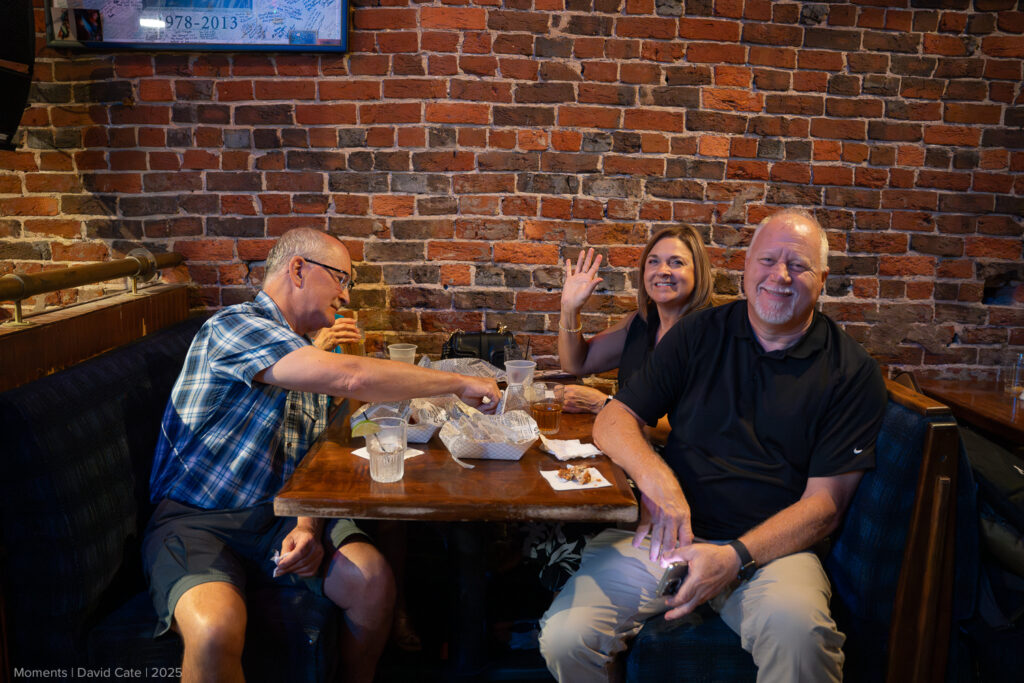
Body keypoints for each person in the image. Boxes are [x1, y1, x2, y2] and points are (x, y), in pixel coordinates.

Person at [539, 209, 887, 682]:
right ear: (746, 266)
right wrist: (657, 480)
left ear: (822, 278)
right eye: (768, 261)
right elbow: (614, 419)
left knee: (802, 641)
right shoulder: (698, 333)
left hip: (774, 552)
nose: (780, 276)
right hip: (668, 536)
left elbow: (825, 506)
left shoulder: (852, 370)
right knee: (566, 639)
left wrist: (735, 555)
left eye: (798, 265)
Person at [143, 228, 500, 683]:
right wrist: (459, 383)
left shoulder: (302, 349)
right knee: (215, 631)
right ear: (298, 269)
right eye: (341, 279)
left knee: (373, 582)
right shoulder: (235, 326)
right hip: (196, 518)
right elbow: (351, 378)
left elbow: (312, 456)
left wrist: (307, 525)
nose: (346, 296)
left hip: (277, 517)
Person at [557, 224, 713, 419]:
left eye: (677, 262)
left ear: (698, 273)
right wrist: (569, 309)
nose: (662, 271)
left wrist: (604, 404)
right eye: (653, 261)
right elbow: (576, 364)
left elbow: (693, 424)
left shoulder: (711, 334)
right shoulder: (640, 322)